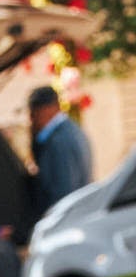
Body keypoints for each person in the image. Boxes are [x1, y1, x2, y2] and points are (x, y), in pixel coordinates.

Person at [27, 82, 92, 211]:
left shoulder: (60, 140)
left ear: (49, 109)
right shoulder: (69, 130)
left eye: (35, 113)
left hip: (66, 215)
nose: (31, 119)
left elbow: (64, 190)